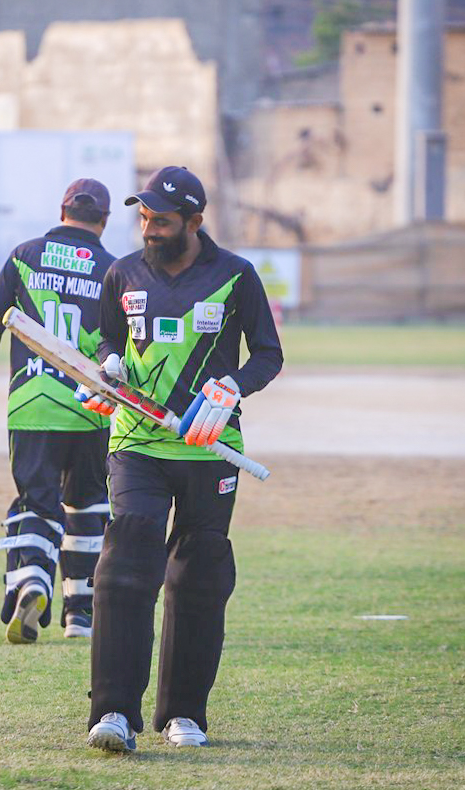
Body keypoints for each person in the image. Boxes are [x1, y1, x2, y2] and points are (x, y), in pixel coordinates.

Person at [77, 166, 283, 752]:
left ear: (194, 221)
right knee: (127, 559)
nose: (149, 229)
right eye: (143, 217)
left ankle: (184, 714)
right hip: (137, 441)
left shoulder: (236, 275)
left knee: (198, 575)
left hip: (208, 445)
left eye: (161, 220)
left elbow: (267, 355)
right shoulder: (122, 272)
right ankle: (113, 712)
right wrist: (110, 365)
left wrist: (233, 387)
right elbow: (107, 340)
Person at [0, 178, 117, 644]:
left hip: (32, 404)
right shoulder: (112, 269)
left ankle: (33, 581)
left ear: (61, 212)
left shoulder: (24, 255)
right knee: (87, 505)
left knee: (37, 502)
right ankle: (80, 615)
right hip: (90, 407)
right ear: (104, 220)